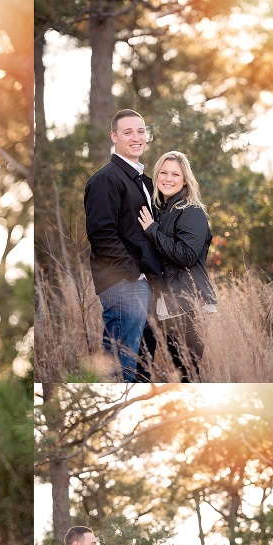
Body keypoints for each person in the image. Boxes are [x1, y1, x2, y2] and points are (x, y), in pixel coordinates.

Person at [85, 109, 164, 381]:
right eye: (128, 132)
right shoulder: (106, 179)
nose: (136, 137)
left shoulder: (144, 181)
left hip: (144, 286)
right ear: (114, 137)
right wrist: (134, 274)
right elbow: (101, 233)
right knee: (120, 372)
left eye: (140, 131)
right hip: (125, 285)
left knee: (141, 372)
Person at [139, 150, 217, 382]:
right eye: (163, 172)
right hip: (170, 303)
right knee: (180, 370)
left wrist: (152, 230)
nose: (168, 178)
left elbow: (186, 255)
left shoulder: (191, 211)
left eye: (175, 174)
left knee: (188, 372)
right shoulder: (164, 211)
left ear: (185, 180)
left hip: (191, 302)